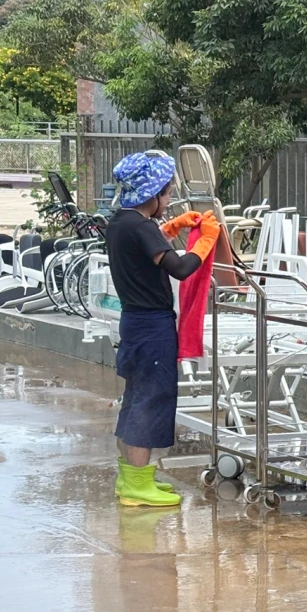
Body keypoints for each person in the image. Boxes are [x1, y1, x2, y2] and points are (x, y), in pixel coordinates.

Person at [107, 151, 220, 508]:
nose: (169, 199)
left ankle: (130, 478)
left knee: (135, 399)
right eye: (167, 193)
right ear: (150, 194)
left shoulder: (121, 222)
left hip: (133, 322)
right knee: (150, 401)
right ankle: (139, 485)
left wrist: (172, 228)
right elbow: (180, 267)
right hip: (152, 325)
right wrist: (205, 242)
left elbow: (144, 251)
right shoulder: (141, 227)